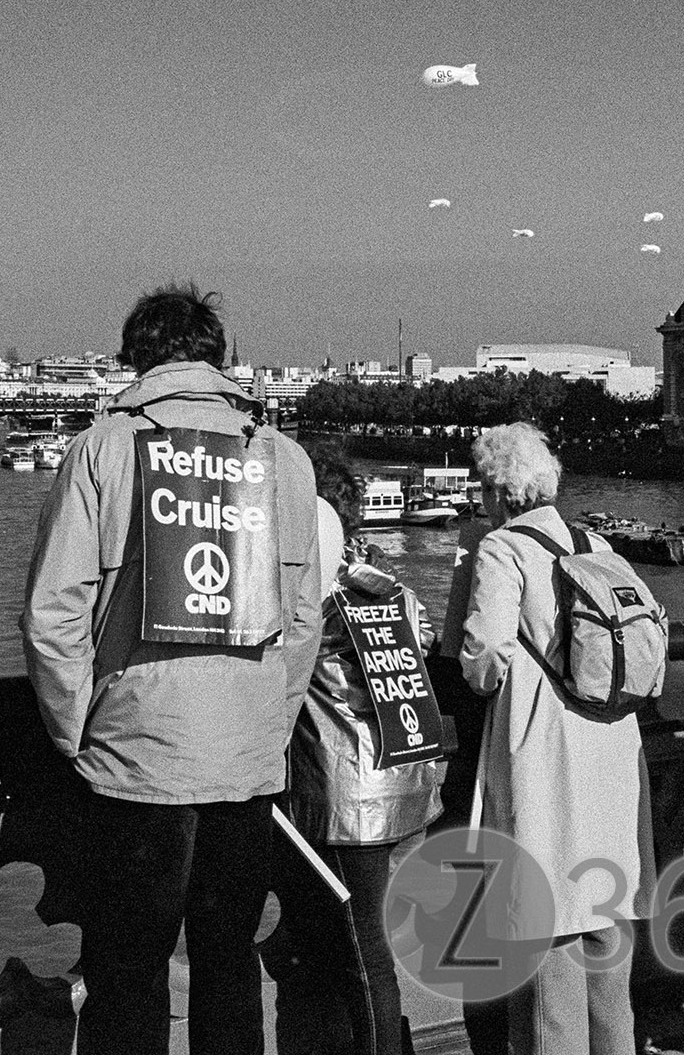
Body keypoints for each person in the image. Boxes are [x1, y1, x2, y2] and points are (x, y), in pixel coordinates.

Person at [20, 284, 323, 1055]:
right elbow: (304, 618)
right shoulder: (282, 457)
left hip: (137, 760)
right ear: (218, 357)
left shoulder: (103, 447)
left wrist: (74, 730)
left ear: (136, 358)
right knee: (229, 967)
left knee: (128, 974)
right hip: (248, 764)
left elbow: (54, 617)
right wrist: (268, 726)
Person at [459, 422, 652, 1055]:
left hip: (544, 751)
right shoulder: (595, 542)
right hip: (612, 745)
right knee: (604, 931)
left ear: (497, 490)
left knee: (548, 935)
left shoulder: (502, 549)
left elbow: (483, 658)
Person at [277, 445, 444, 1055]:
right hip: (401, 784)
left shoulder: (314, 602)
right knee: (359, 944)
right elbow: (425, 639)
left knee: (357, 953)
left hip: (342, 797)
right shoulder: (381, 587)